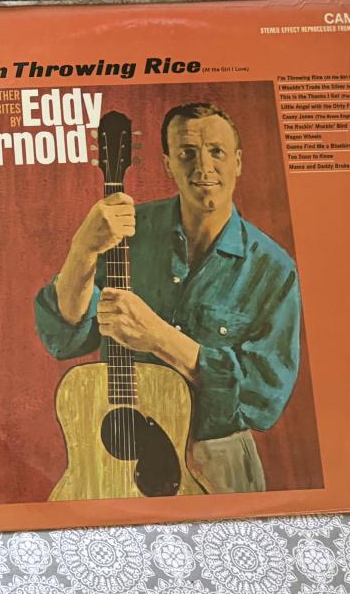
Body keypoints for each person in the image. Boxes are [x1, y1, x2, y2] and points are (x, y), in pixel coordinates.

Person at [34, 102, 301, 494]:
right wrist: (82, 251)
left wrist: (158, 337)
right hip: (115, 463)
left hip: (217, 462)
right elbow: (65, 335)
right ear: (167, 164)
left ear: (238, 162)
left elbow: (263, 397)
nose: (204, 167)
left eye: (217, 152)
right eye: (187, 153)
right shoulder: (127, 231)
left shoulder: (273, 269)